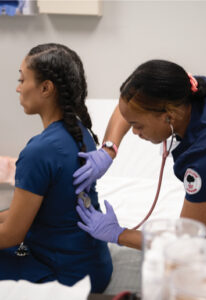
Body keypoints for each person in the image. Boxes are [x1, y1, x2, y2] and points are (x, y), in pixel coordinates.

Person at [0, 43, 113, 292]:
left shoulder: (39, 151)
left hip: (66, 276)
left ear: (46, 88)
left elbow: (11, 235)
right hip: (96, 267)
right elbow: (21, 213)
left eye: (22, 79)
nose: (18, 88)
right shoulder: (80, 132)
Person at [74, 59, 206, 250]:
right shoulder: (187, 91)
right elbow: (127, 107)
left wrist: (119, 234)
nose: (134, 132)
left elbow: (186, 243)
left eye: (138, 125)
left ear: (168, 116)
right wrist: (109, 149)